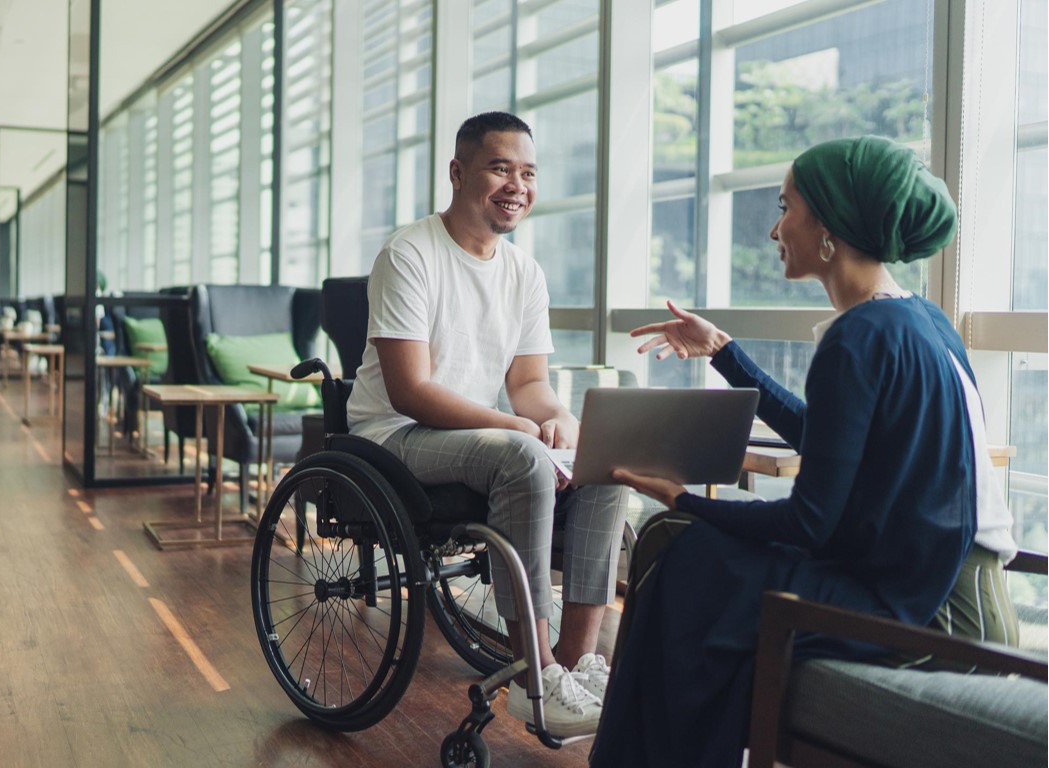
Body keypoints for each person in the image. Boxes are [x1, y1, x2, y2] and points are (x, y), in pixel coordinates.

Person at [590, 135, 1018, 767]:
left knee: (679, 549)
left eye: (785, 207)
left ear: (828, 226)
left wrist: (680, 495)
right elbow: (830, 443)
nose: (773, 229)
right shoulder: (917, 318)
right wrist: (724, 354)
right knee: (686, 548)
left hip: (930, 611)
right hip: (951, 589)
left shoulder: (858, 337)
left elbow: (807, 521)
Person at [346, 111, 630, 738]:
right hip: (393, 435)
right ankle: (534, 672)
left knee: (606, 462)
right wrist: (516, 429)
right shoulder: (410, 253)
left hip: (478, 436)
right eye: (501, 167)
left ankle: (579, 665)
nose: (517, 185)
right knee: (521, 456)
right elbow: (410, 389)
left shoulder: (525, 273)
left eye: (528, 173)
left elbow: (529, 385)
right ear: (458, 172)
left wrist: (557, 418)